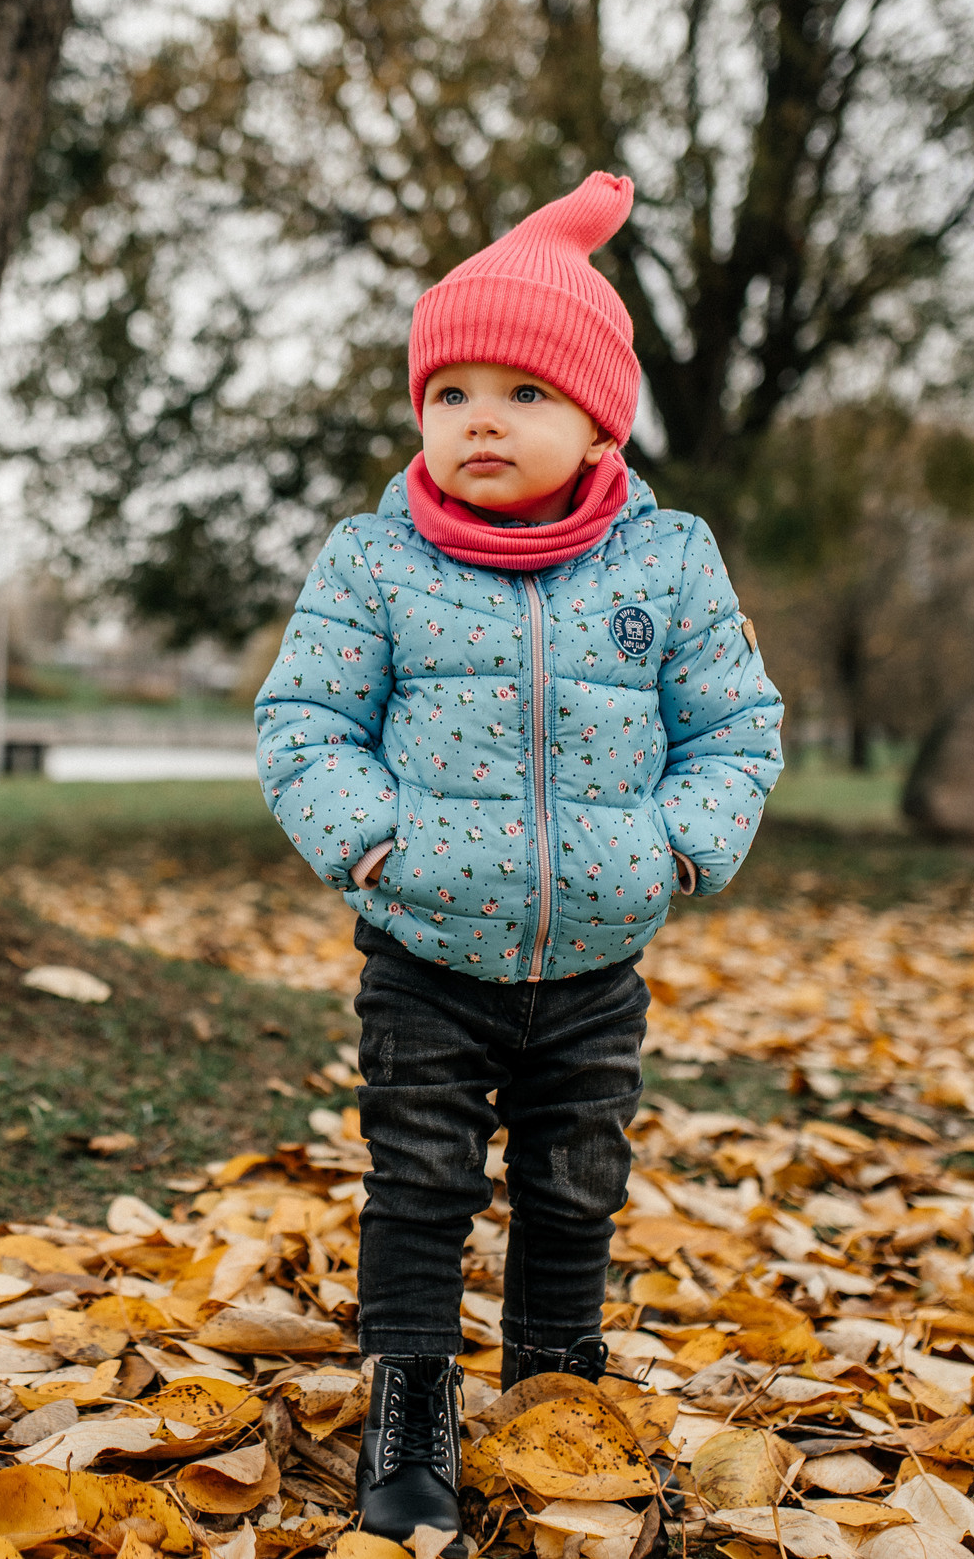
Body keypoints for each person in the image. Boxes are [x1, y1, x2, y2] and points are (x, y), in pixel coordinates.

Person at [253, 171, 783, 1551]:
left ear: (602, 420)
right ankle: (412, 1406)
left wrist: (678, 849)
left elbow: (734, 727)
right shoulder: (375, 562)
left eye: (524, 392)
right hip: (425, 951)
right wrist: (377, 842)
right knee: (421, 1177)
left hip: (598, 958)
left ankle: (556, 1394)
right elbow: (305, 721)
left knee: (574, 1181)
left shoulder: (667, 563)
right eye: (451, 392)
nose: (480, 417)